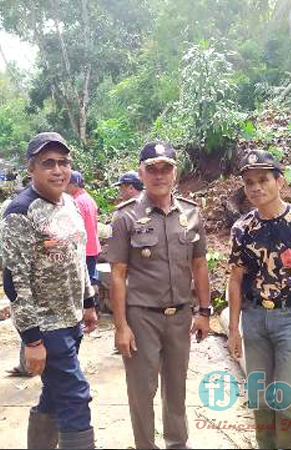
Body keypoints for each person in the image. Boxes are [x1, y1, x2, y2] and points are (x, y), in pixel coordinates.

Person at [226, 150, 291, 449]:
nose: (256, 187)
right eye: (249, 182)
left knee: (287, 399)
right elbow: (235, 279)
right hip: (255, 317)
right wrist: (233, 329)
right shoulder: (242, 229)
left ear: (280, 181)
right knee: (260, 397)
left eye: (263, 180)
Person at [108, 141, 212, 449]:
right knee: (142, 390)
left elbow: (199, 264)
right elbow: (117, 275)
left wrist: (204, 312)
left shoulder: (191, 213)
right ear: (141, 172)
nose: (159, 175)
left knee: (176, 388)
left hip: (180, 316)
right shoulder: (125, 217)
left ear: (175, 172)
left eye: (165, 168)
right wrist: (121, 326)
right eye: (152, 169)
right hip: (142, 317)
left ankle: (177, 443)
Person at [1, 131, 98, 449]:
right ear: (32, 169)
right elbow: (15, 281)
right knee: (75, 396)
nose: (58, 170)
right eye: (48, 163)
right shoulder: (20, 212)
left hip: (72, 320)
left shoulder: (70, 204)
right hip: (47, 325)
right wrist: (32, 339)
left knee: (55, 396)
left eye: (63, 162)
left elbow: (78, 257)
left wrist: (88, 302)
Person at [67, 170, 102, 287]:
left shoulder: (77, 202)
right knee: (90, 279)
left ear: (74, 185)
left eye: (67, 184)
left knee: (83, 284)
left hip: (83, 249)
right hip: (92, 247)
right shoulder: (88, 199)